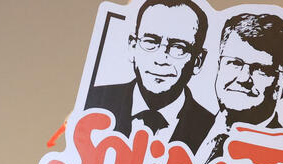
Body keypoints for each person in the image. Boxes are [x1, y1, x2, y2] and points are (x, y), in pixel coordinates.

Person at [84, 0, 213, 154]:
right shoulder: (92, 101)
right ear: (132, 46)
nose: (160, 59)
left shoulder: (211, 131)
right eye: (151, 42)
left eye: (179, 47)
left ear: (198, 61)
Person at [199, 12, 283, 164]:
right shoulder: (183, 126)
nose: (243, 78)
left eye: (260, 69)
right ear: (219, 66)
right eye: (235, 63)